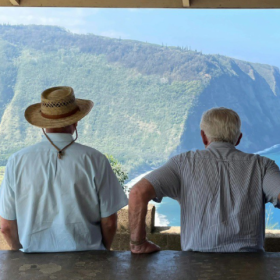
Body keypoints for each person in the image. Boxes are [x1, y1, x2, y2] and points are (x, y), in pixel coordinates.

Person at [129, 107, 280, 253]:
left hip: (195, 267)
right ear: (238, 138)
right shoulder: (263, 166)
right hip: (250, 268)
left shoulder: (182, 164)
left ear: (203, 136)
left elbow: (137, 192)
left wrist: (138, 243)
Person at [0, 86, 128, 252]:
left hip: (32, 266)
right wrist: (102, 253)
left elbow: (5, 226)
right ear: (76, 121)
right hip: (87, 263)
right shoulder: (95, 159)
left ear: (43, 124)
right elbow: (109, 222)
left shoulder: (16, 161)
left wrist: (19, 254)